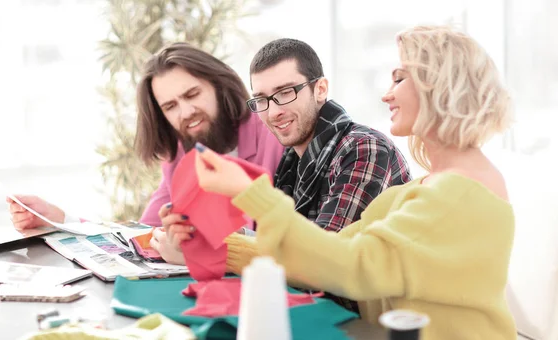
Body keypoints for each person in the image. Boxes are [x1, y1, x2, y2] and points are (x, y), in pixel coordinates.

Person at [173, 26, 517, 339]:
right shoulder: (425, 189)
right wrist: (208, 244)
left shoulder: (457, 192)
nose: (386, 96)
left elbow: (347, 267)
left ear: (442, 84)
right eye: (263, 99)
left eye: (399, 79)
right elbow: (320, 254)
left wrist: (249, 194)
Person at [155, 38, 410, 311]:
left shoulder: (363, 148)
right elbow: (281, 247)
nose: (274, 111)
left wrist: (210, 251)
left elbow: (321, 268)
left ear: (320, 89)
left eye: (286, 92)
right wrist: (200, 237)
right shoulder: (291, 161)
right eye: (262, 100)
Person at [7, 43, 284, 231]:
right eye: (170, 106)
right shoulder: (180, 157)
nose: (186, 112)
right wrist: (60, 220)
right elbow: (142, 236)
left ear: (219, 86)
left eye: (192, 94)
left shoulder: (273, 132)